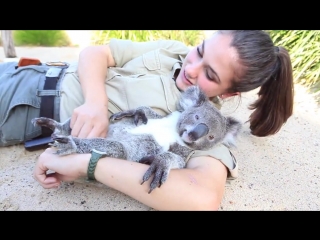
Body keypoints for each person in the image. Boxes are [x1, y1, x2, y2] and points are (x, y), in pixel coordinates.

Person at [0, 30, 294, 210]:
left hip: (24, 108)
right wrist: (95, 102)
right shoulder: (172, 50)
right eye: (200, 52)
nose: (192, 69)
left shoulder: (207, 128)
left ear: (228, 93)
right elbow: (96, 53)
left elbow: (202, 197)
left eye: (210, 75)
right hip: (26, 70)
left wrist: (85, 163)